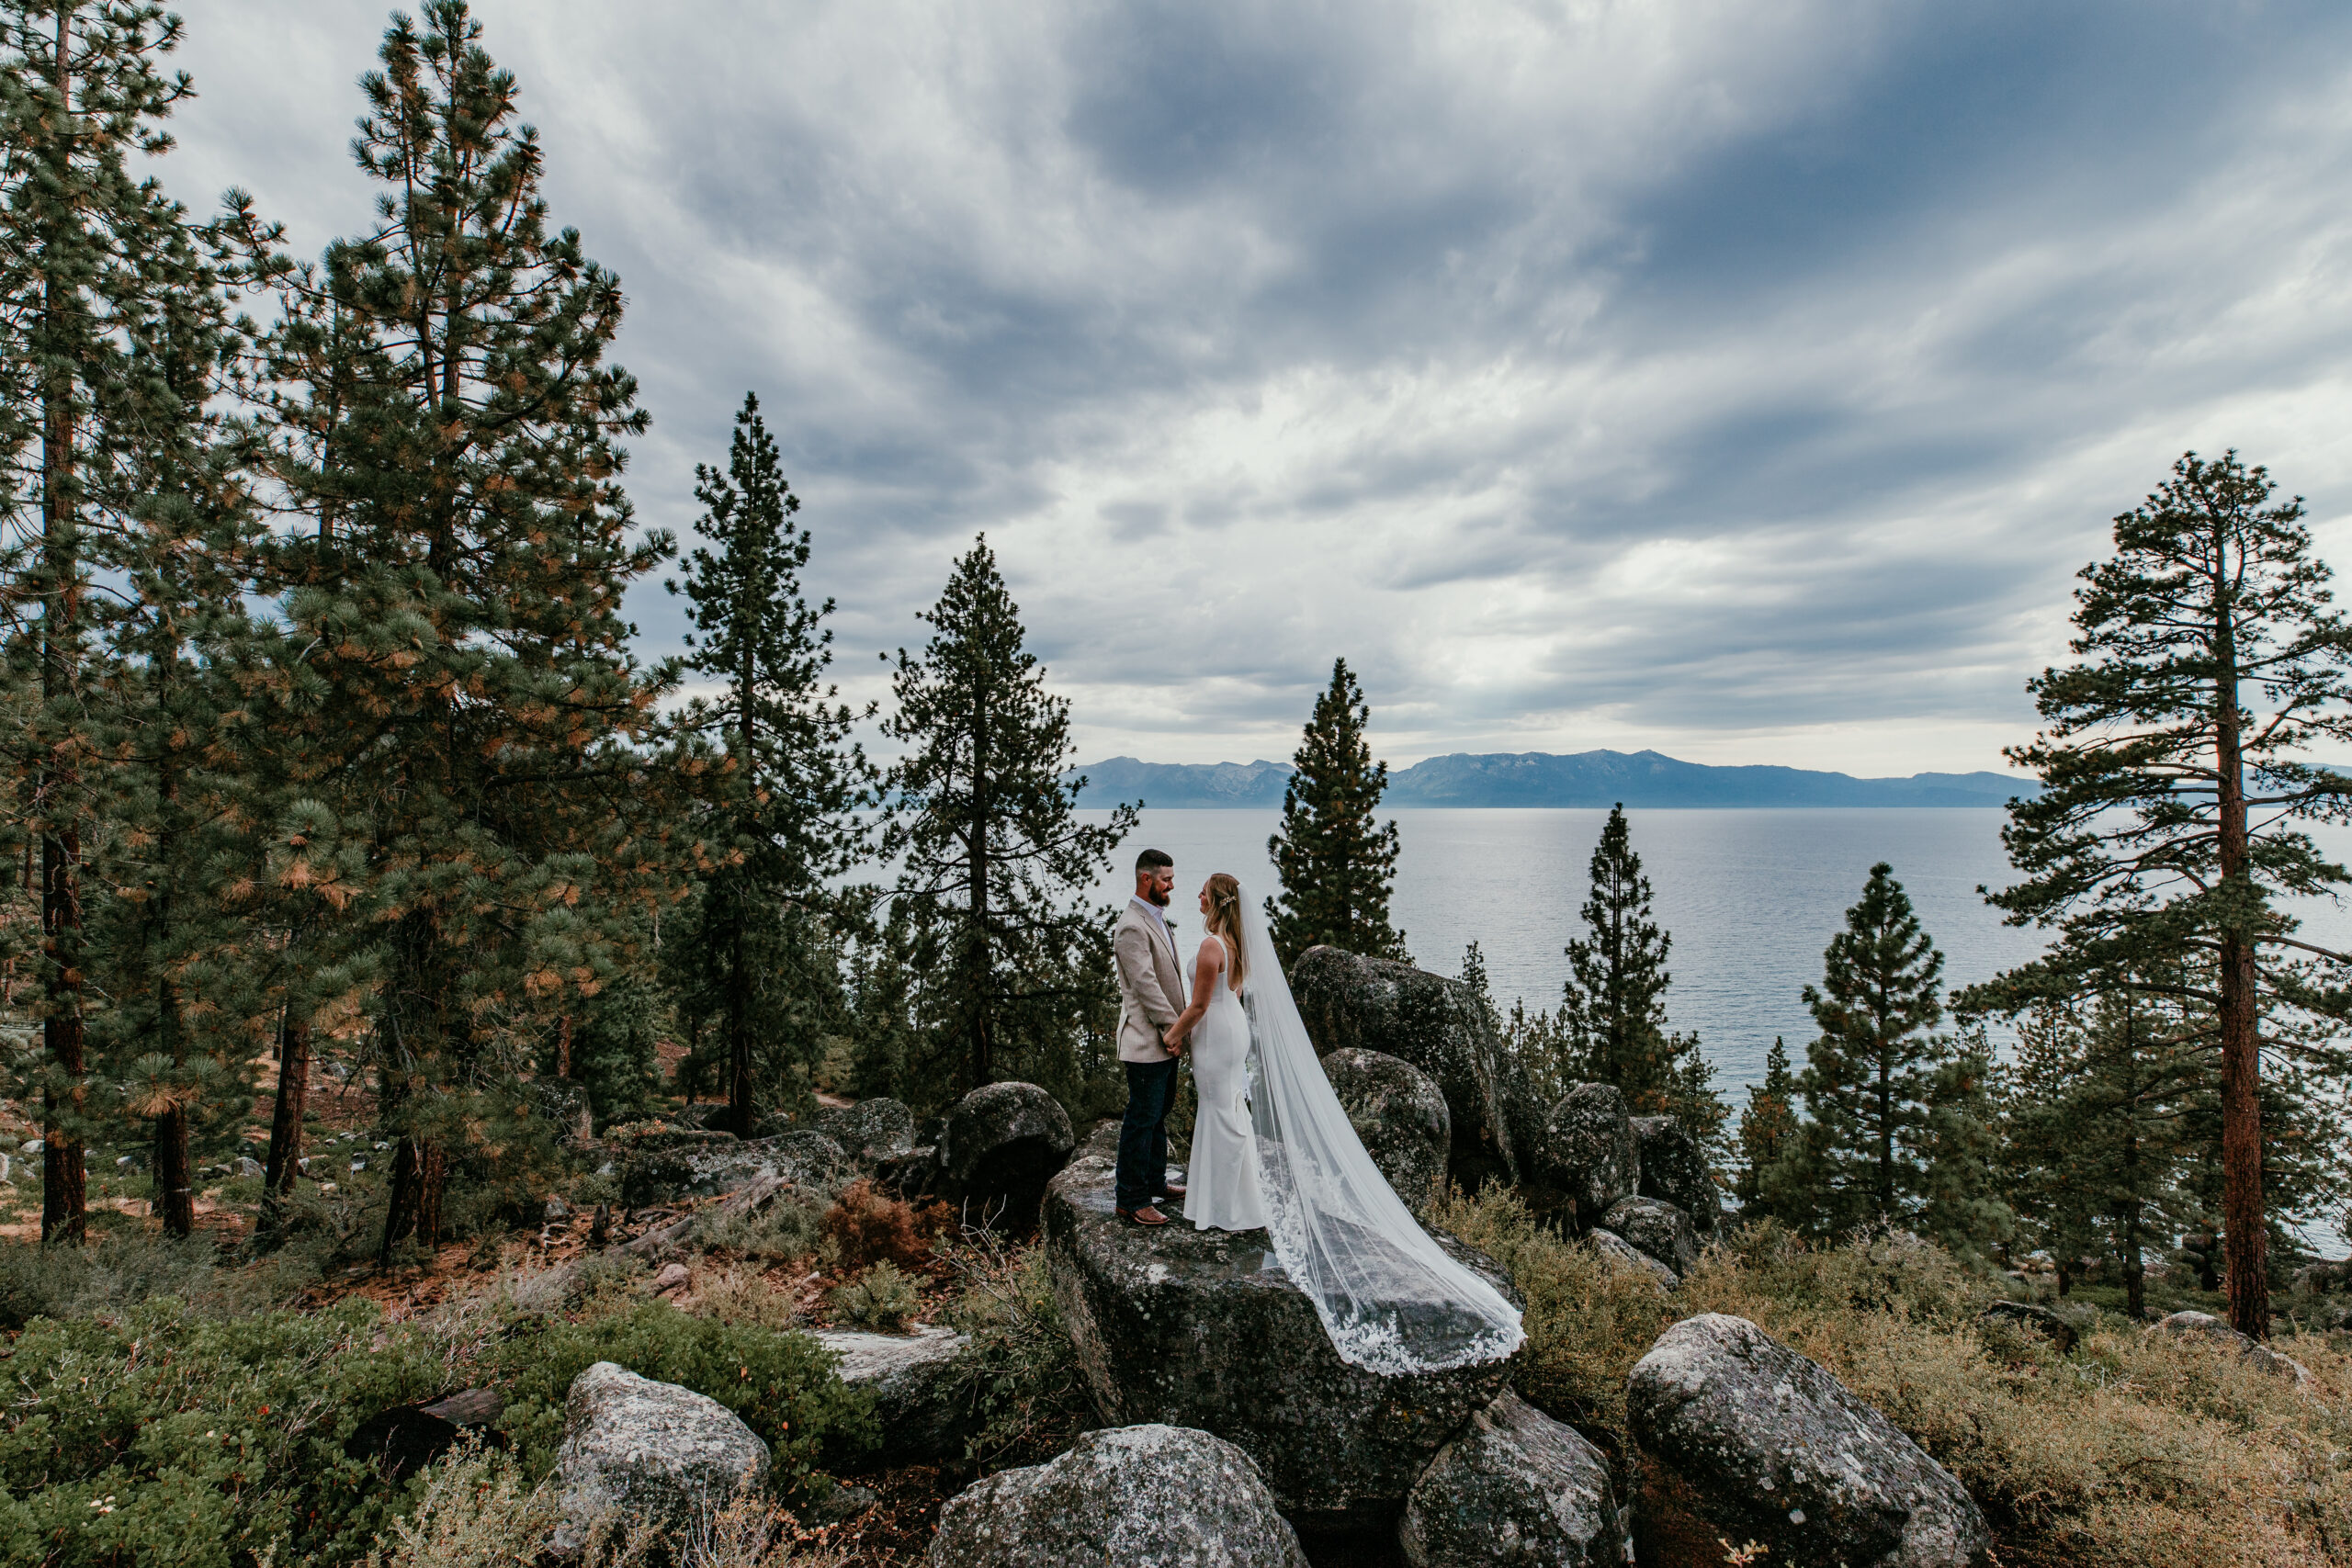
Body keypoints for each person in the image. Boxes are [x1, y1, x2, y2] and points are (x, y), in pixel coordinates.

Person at [1162, 873, 1269, 1232]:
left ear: (1218, 901)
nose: (1198, 896)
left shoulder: (1212, 946)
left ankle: (1224, 1207)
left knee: (1218, 1112)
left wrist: (1172, 1036)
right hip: (1231, 1027)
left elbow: (1199, 1006)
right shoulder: (1237, 944)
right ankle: (1232, 1201)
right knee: (1229, 1108)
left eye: (1204, 892)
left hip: (1216, 1034)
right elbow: (1232, 994)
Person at [1111, 848, 1189, 1225]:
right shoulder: (1131, 925)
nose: (1171, 885)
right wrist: (1173, 1030)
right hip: (1147, 1041)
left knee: (1158, 1116)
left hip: (1165, 1039)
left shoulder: (1156, 918)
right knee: (1141, 1120)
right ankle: (1131, 1198)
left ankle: (1156, 1183)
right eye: (1166, 879)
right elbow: (1146, 985)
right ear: (1147, 879)